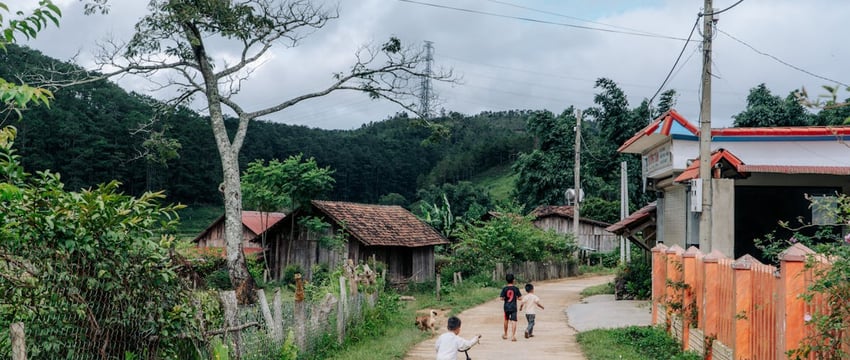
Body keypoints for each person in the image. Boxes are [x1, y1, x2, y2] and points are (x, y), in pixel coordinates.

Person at [499, 273, 522, 341]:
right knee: (514, 321)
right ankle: (513, 336)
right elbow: (520, 298)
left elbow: (501, 298)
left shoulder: (504, 289)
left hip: (506, 307)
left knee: (506, 320)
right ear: (513, 280)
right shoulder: (516, 289)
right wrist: (517, 297)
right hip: (513, 307)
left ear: (506, 280)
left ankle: (506, 334)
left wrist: (504, 298)